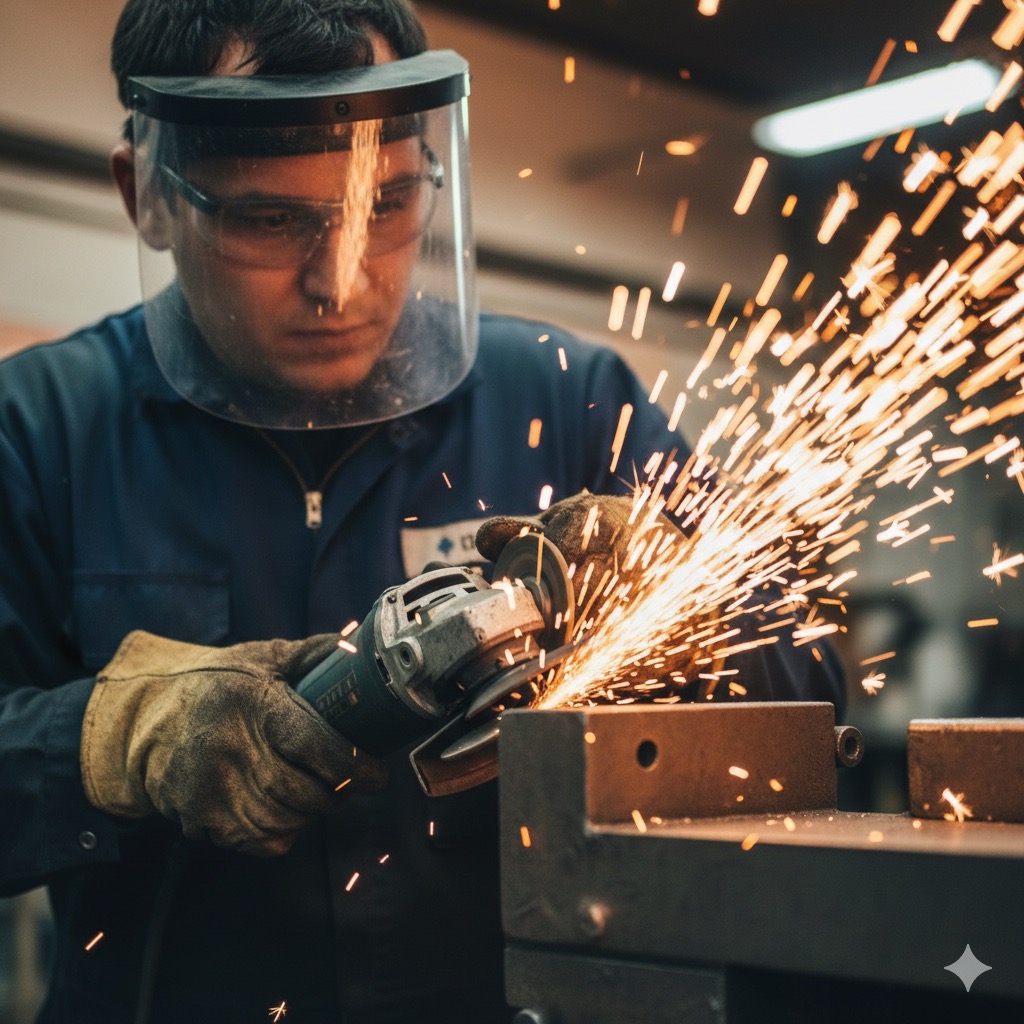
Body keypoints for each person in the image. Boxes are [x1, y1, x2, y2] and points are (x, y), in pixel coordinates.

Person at [0, 1, 845, 1021]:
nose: (341, 279)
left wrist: (672, 618)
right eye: (271, 219)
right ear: (148, 197)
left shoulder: (566, 396)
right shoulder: (40, 428)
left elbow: (806, 677)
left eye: (388, 204)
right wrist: (100, 737)